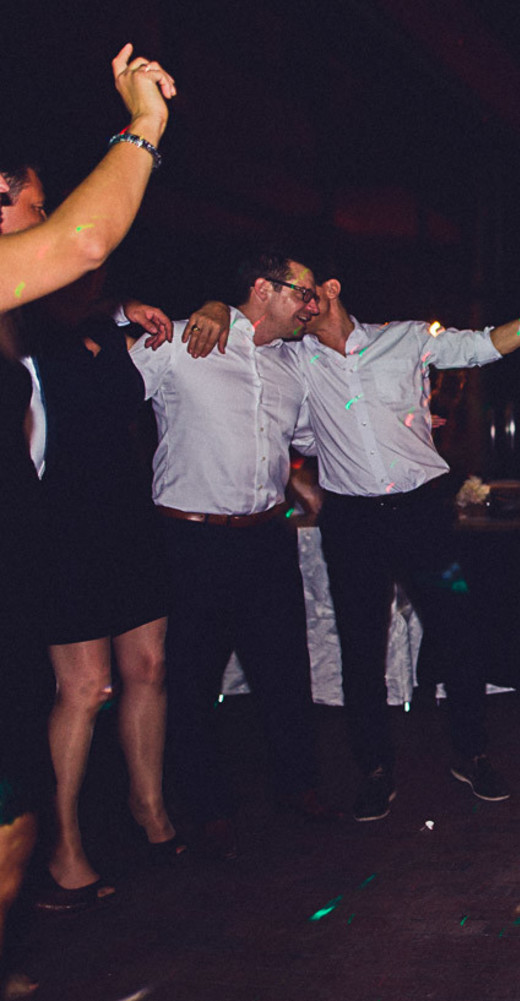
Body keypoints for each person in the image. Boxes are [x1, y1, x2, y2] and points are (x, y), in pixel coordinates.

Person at [185, 261, 520, 821]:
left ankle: (471, 753)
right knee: (361, 648)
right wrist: (213, 306)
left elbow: (483, 346)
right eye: (297, 297)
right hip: (353, 522)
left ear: (332, 290)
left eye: (312, 295)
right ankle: (374, 769)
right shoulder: (294, 358)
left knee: (457, 631)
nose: (305, 306)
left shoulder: (404, 339)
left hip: (424, 513)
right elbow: (253, 361)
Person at [0, 45, 176, 998]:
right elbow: (79, 241)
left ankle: (149, 816)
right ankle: (67, 848)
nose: (44, 216)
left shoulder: (86, 324)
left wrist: (122, 314)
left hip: (114, 521)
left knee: (140, 670)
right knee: (79, 694)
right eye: (31, 204)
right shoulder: (28, 310)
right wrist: (141, 122)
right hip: (57, 532)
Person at [130, 249, 335, 858]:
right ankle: (205, 804)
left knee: (284, 668)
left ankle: (298, 785)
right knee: (193, 678)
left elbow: (295, 441)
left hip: (267, 534)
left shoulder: (292, 367)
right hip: (191, 536)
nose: (311, 305)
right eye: (302, 292)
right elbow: (106, 396)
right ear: (262, 288)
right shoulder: (186, 340)